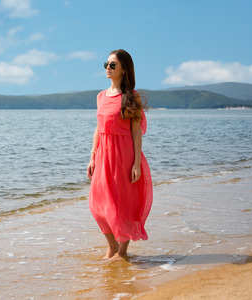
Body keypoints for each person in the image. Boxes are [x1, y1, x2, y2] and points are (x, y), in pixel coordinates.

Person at [87, 49, 152, 261]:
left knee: (123, 204)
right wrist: (92, 156)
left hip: (124, 157)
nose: (108, 67)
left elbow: (135, 131)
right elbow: (99, 128)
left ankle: (122, 252)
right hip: (103, 155)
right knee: (97, 206)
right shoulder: (100, 96)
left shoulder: (131, 98)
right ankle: (112, 246)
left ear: (123, 69)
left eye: (112, 65)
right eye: (106, 64)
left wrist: (136, 163)